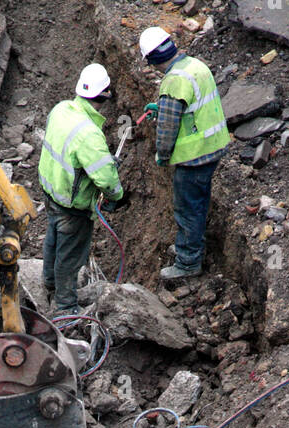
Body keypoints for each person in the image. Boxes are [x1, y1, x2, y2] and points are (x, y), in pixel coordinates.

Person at [138, 27, 230, 282]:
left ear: (153, 60)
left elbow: (167, 129)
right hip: (214, 146)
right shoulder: (194, 65)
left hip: (194, 156)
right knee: (197, 202)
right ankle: (189, 245)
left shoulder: (173, 80)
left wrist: (162, 156)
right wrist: (165, 105)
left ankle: (188, 261)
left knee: (187, 208)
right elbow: (193, 107)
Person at [38, 64, 124, 316]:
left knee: (53, 236)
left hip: (51, 190)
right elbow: (107, 180)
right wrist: (115, 197)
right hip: (72, 205)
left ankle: (49, 282)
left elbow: (72, 154)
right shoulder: (89, 134)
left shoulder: (61, 109)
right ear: (103, 96)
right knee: (71, 255)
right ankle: (65, 307)